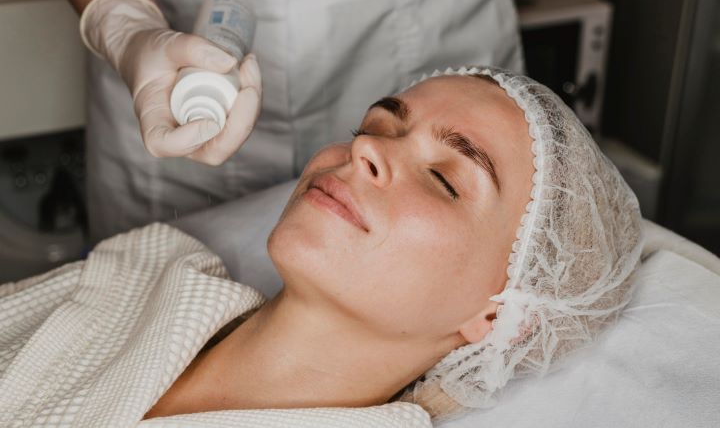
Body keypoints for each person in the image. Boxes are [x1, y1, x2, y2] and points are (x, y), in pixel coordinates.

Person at [0, 67, 643, 426]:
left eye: (446, 179)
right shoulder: (149, 272)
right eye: (374, 127)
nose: (365, 148)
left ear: (499, 315)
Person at [37, 0, 524, 245]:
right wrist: (121, 20)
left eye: (444, 180)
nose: (363, 152)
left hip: (420, 19)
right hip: (177, 49)